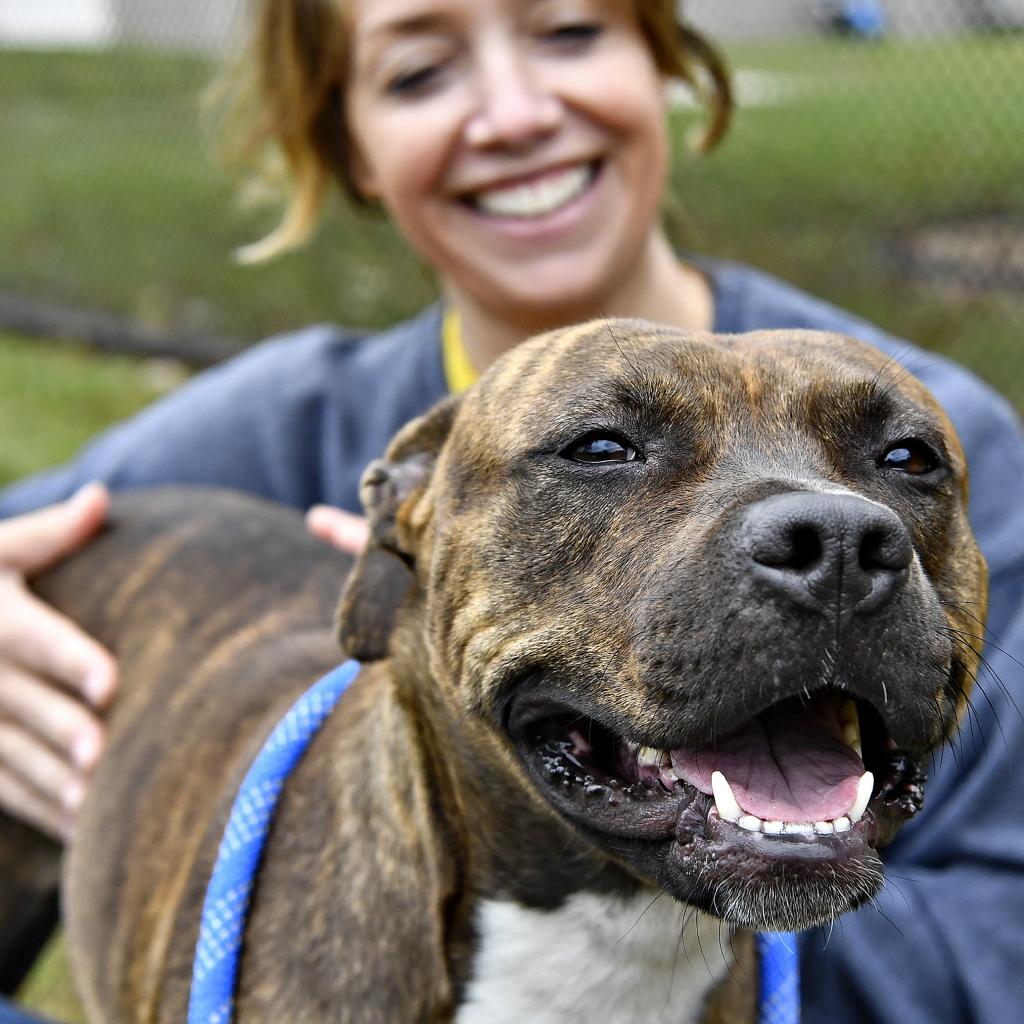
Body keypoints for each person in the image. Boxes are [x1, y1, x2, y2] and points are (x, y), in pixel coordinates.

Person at [1, 2, 1023, 1022]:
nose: (514, 111)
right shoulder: (285, 419)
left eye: (570, 32)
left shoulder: (974, 428)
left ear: (664, 66)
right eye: (600, 451)